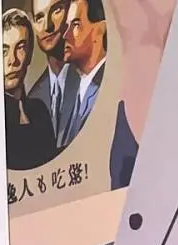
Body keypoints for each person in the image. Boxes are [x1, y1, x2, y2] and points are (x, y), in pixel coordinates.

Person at [3, 10, 56, 172]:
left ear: (30, 54)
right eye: (4, 51)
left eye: (20, 48)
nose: (13, 60)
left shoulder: (40, 110)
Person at [27, 1, 78, 150]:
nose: (47, 26)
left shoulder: (88, 80)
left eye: (56, 10)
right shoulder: (34, 98)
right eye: (39, 17)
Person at [61, 0, 107, 148]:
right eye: (66, 26)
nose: (65, 35)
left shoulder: (107, 87)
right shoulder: (73, 91)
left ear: (99, 30)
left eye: (75, 25)